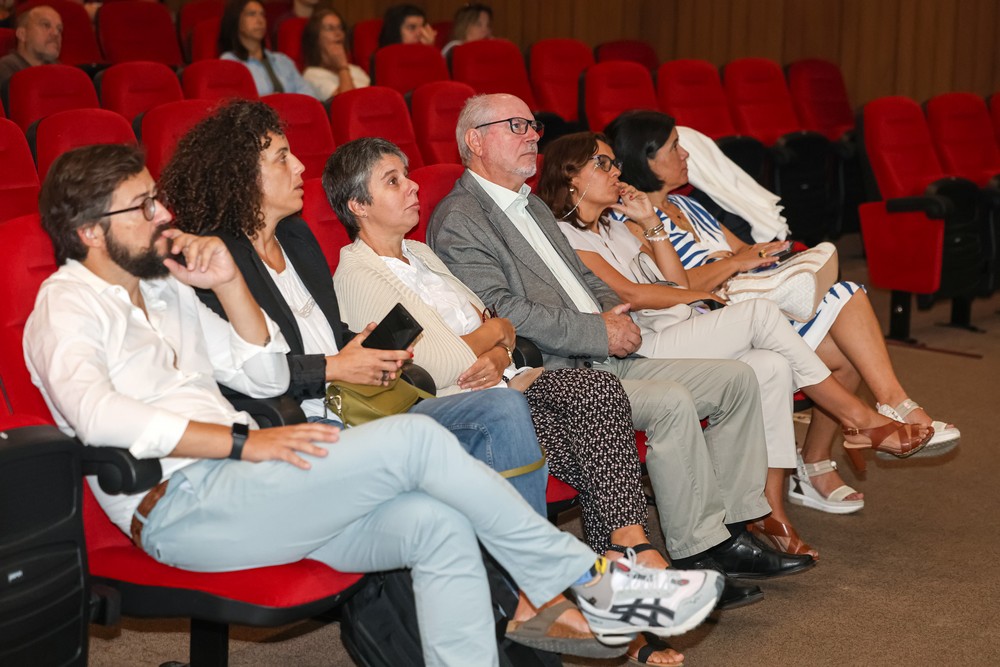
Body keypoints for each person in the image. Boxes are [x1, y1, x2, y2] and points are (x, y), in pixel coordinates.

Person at [24, 142, 724, 666]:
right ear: (91, 231)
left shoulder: (167, 287)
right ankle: (585, 579)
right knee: (420, 443)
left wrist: (231, 282)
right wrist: (242, 442)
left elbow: (258, 369)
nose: (163, 215)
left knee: (436, 525)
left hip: (252, 490)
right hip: (179, 507)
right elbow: (98, 417)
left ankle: (562, 597)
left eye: (159, 199)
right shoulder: (65, 304)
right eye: (144, 206)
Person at [428, 93, 817, 594]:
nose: (532, 136)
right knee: (674, 402)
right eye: (517, 126)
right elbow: (504, 309)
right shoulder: (462, 217)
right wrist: (598, 331)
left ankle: (730, 532)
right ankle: (698, 549)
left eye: (533, 126)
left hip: (604, 351)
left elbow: (581, 279)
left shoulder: (531, 205)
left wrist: (615, 312)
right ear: (475, 141)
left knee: (740, 379)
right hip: (559, 370)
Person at [537, 131, 935, 556]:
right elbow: (632, 295)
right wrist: (698, 296)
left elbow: (675, 280)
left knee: (771, 365)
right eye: (603, 164)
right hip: (645, 347)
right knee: (760, 315)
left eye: (616, 163)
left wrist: (652, 224)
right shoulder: (564, 235)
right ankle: (857, 417)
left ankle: (765, 510)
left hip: (680, 329)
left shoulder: (620, 228)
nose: (616, 172)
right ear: (570, 176)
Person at [161, 99, 547, 517]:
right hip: (307, 419)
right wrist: (336, 365)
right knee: (492, 419)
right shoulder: (219, 264)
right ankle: (531, 568)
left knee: (502, 411)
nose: (299, 168)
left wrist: (361, 344)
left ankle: (521, 569)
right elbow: (248, 373)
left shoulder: (296, 239)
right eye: (282, 158)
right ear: (241, 177)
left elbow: (329, 334)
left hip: (364, 402)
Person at [604, 110, 959, 515]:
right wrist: (733, 263)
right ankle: (855, 433)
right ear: (644, 159)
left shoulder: (689, 206)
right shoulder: (629, 220)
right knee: (845, 341)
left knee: (845, 315)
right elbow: (674, 288)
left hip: (752, 302)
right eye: (673, 147)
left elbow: (743, 250)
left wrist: (762, 256)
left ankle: (870, 419)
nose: (686, 154)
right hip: (710, 322)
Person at [328, 136, 663, 564]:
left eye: (407, 176)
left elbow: (498, 325)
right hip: (458, 407)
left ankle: (624, 550)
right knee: (594, 439)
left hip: (505, 380)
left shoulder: (421, 253)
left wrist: (499, 348)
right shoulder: (357, 275)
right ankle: (629, 552)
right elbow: (438, 364)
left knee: (597, 391)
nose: (412, 187)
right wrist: (496, 338)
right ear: (358, 205)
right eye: (393, 181)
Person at [218, 0, 320, 98]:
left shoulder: (282, 60)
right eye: (252, 14)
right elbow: (234, 103)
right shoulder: (229, 61)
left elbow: (309, 95)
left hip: (293, 112)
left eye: (262, 14)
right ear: (236, 20)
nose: (260, 20)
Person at [301, 8, 368, 100]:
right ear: (316, 38)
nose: (338, 33)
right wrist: (342, 67)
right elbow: (347, 104)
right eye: (330, 28)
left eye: (340, 28)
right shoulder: (312, 75)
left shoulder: (355, 69)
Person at [0, 5, 61, 89]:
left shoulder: (61, 70)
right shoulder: (6, 69)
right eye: (46, 25)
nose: (56, 33)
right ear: (22, 34)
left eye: (59, 29)